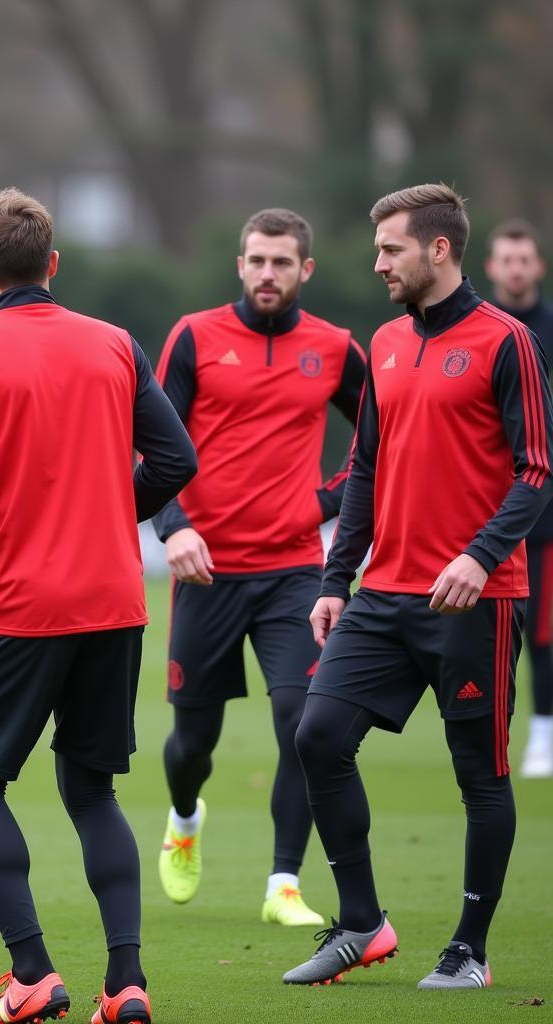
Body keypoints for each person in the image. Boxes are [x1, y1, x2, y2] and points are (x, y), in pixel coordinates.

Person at [0, 187, 196, 1024]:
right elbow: (176, 457)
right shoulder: (115, 344)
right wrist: (118, 512)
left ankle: (33, 974)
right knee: (93, 791)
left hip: (18, 607)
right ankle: (127, 985)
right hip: (115, 603)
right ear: (54, 263)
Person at [285, 184, 553, 990]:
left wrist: (480, 555)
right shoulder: (388, 342)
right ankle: (363, 922)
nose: (377, 264)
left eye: (391, 249)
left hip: (477, 597)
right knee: (317, 736)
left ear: (439, 249)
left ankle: (468, 949)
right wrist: (337, 577)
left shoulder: (507, 342)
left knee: (481, 774)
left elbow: (538, 468)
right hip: (383, 595)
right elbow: (364, 465)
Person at [152, 208, 365, 925]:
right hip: (205, 571)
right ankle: (184, 819)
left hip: (295, 573)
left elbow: (388, 432)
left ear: (306, 270)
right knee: (192, 742)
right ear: (238, 265)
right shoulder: (194, 336)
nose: (267, 273)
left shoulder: (335, 348)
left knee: (302, 722)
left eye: (281, 262)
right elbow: (148, 442)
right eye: (256, 260)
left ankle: (284, 885)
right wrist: (173, 528)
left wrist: (329, 502)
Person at [485, 219, 553, 778]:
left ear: (538, 266)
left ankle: (542, 735)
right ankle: (491, 734)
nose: (515, 268)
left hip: (546, 511)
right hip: (488, 511)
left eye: (523, 259)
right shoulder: (485, 331)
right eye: (506, 259)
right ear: (491, 267)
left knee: (545, 632)